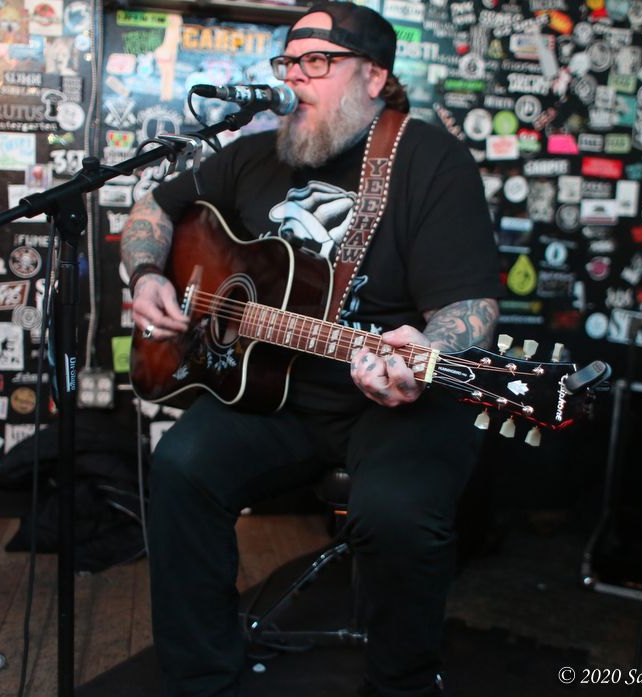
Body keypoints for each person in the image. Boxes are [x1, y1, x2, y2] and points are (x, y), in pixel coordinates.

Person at [120, 3, 504, 696]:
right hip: (272, 387)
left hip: (391, 398)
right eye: (289, 62)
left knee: (396, 513)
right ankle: (202, 678)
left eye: (317, 61)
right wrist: (148, 273)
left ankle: (402, 685)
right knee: (181, 468)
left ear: (374, 76)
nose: (295, 76)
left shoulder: (428, 160)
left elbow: (470, 308)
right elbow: (155, 207)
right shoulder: (255, 153)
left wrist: (425, 350)